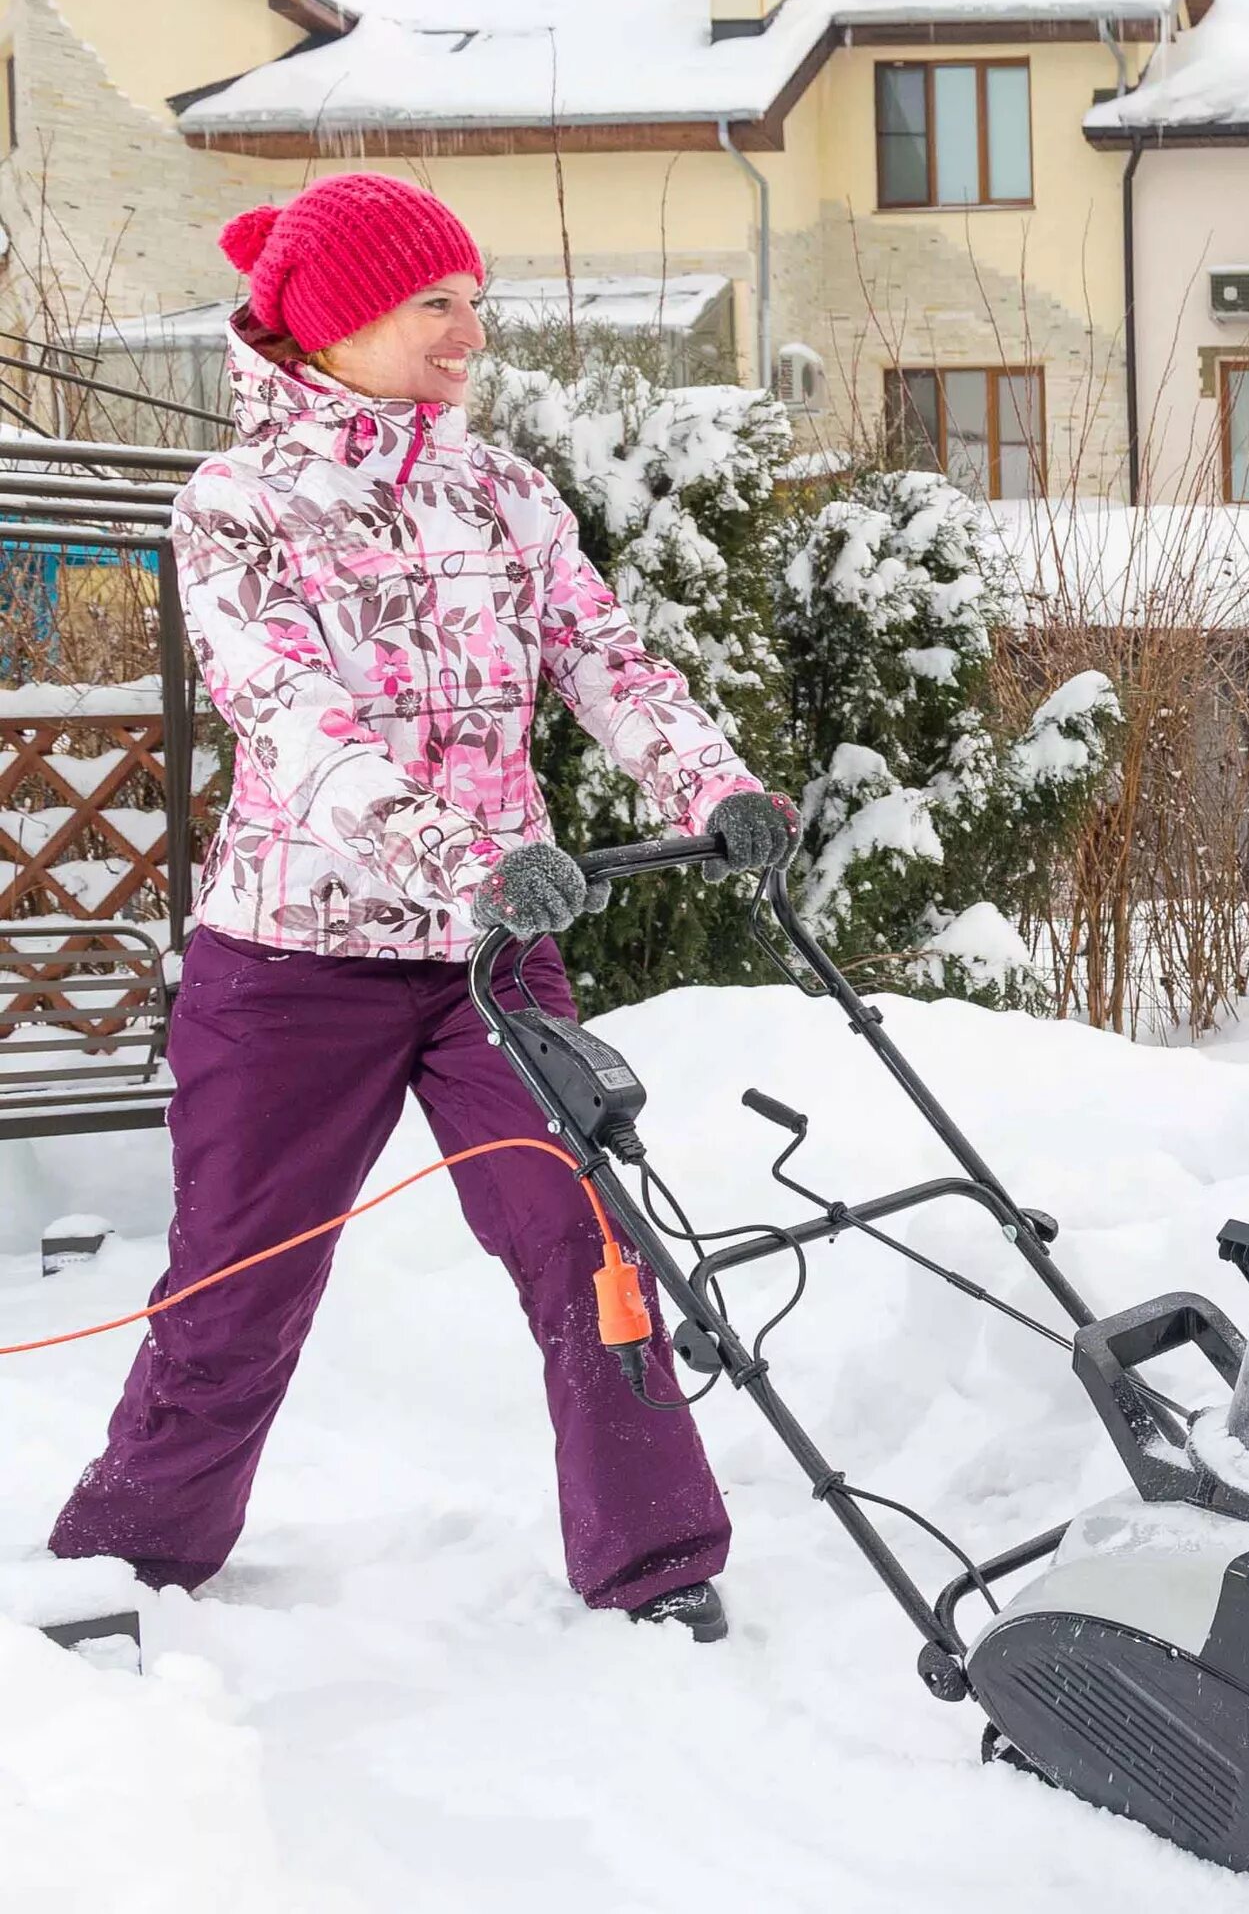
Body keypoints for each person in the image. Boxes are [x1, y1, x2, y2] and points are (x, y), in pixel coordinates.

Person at [47, 173, 792, 1641]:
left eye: (475, 300)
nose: (471, 334)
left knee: (589, 1242)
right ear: (335, 323)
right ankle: (130, 1555)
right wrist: (460, 854)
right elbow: (295, 725)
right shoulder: (236, 508)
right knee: (237, 1285)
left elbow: (611, 662)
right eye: (434, 304)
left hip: (491, 962)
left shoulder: (503, 494)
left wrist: (714, 788)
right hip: (288, 963)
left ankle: (657, 1562)